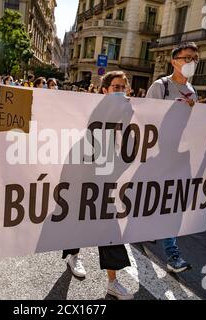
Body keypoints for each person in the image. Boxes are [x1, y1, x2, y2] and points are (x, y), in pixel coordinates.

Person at [62, 71, 134, 300]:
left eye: (124, 87)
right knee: (78, 215)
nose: (120, 91)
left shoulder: (127, 110)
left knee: (108, 224)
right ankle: (74, 254)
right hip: (81, 168)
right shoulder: (90, 107)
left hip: (105, 170)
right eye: (116, 87)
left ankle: (113, 282)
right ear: (104, 90)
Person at [145, 42, 199, 273]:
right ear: (174, 61)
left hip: (179, 159)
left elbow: (192, 126)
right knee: (152, 203)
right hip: (157, 158)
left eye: (195, 59)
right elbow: (145, 119)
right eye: (187, 58)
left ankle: (171, 255)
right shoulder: (161, 86)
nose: (191, 63)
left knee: (173, 205)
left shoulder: (193, 91)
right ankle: (144, 230)